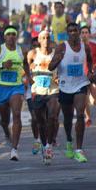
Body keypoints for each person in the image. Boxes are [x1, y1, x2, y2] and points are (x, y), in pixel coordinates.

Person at [48, 22, 93, 163]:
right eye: (70, 31)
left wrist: (90, 72)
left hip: (81, 84)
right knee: (67, 118)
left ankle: (79, 150)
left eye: (75, 30)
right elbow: (50, 67)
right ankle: (69, 140)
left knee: (80, 115)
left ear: (79, 32)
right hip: (65, 86)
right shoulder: (62, 47)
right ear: (68, 33)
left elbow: (90, 59)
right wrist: (58, 59)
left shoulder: (85, 47)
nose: (73, 33)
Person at [0, 26, 30, 161]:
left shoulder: (22, 51)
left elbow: (26, 64)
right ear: (4, 37)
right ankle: (6, 132)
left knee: (16, 114)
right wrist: (2, 66)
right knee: (4, 120)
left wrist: (29, 78)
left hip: (16, 87)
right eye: (8, 34)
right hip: (1, 88)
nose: (11, 36)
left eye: (13, 34)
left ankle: (14, 149)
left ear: (16, 37)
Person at [27, 30, 60, 165]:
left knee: (52, 117)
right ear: (39, 40)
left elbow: (63, 66)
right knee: (40, 122)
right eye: (43, 38)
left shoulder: (56, 53)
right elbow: (25, 64)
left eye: (48, 38)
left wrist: (60, 77)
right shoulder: (33, 53)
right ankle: (44, 143)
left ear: (50, 40)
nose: (45, 40)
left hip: (53, 90)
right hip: (37, 91)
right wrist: (29, 77)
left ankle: (48, 147)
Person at [80, 25, 96, 128]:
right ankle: (88, 117)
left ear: (89, 34)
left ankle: (91, 98)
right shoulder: (77, 47)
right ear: (80, 35)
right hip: (82, 77)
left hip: (94, 76)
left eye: (86, 32)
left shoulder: (95, 46)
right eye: (83, 32)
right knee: (84, 99)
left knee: (94, 101)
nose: (85, 34)